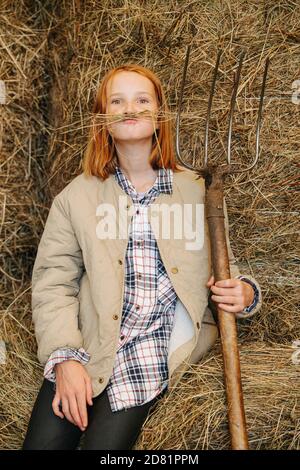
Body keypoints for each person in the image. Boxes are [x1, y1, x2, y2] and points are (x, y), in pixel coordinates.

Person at [22, 63, 262, 450]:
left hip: (150, 348)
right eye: (117, 101)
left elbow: (226, 270)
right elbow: (53, 283)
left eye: (142, 99)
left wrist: (246, 293)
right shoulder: (76, 197)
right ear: (103, 118)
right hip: (90, 342)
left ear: (160, 113)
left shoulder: (198, 191)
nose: (130, 108)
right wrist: (66, 360)